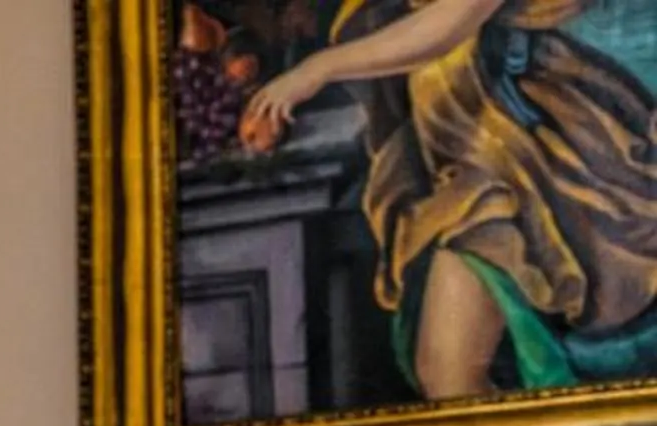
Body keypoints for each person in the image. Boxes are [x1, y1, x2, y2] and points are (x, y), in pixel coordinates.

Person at [245, 0, 657, 397]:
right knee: (446, 371)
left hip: (536, 156)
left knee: (450, 368)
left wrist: (317, 69)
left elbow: (451, 21)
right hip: (473, 147)